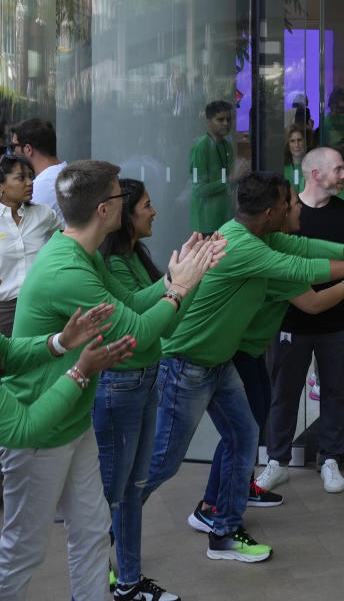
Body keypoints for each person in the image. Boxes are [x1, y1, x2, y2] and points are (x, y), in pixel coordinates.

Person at [145, 170, 344, 563]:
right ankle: (107, 523)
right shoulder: (244, 247)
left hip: (218, 362)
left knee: (245, 436)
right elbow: (304, 273)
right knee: (162, 462)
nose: (294, 208)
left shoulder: (260, 235)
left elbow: (305, 246)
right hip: (188, 363)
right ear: (270, 211)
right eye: (288, 204)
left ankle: (223, 528)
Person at [0, 159, 219, 601]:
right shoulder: (68, 269)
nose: (134, 203)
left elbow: (133, 305)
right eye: (122, 196)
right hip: (39, 428)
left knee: (94, 533)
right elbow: (136, 333)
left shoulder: (80, 253)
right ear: (104, 209)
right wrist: (179, 289)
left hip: (73, 420)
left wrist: (178, 281)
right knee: (23, 552)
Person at [95, 178, 204, 601]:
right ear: (123, 213)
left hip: (143, 379)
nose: (154, 210)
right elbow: (135, 322)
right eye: (146, 204)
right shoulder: (110, 264)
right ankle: (99, 572)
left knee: (133, 489)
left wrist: (187, 282)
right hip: (119, 383)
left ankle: (129, 582)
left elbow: (166, 320)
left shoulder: (135, 256)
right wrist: (177, 283)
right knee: (114, 492)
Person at [257, 148, 344, 494]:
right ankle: (276, 461)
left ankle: (330, 458)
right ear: (315, 174)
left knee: (334, 392)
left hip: (338, 323)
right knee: (284, 393)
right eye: (338, 169)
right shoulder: (287, 216)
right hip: (292, 322)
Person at [0, 306, 133, 447]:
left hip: (72, 424)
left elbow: (6, 352)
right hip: (46, 438)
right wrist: (79, 373)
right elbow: (20, 430)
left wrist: (59, 343)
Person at [0, 154, 61, 336]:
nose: (30, 182)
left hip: (41, 306)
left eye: (31, 176)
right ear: (1, 185)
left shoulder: (43, 214)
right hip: (4, 311)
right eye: (21, 178)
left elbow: (68, 242)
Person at [8, 117, 67, 223]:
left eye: (13, 147)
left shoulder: (39, 188)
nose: (12, 153)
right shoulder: (66, 173)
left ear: (28, 149)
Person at [190, 100, 235, 234]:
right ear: (208, 122)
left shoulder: (226, 145)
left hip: (225, 219)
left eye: (228, 119)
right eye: (220, 119)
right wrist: (232, 178)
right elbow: (200, 189)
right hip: (206, 223)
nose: (226, 123)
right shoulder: (201, 147)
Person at [282, 123, 308, 193]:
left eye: (299, 140)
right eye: (292, 141)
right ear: (288, 145)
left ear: (305, 142)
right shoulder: (282, 168)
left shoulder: (312, 166)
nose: (296, 145)